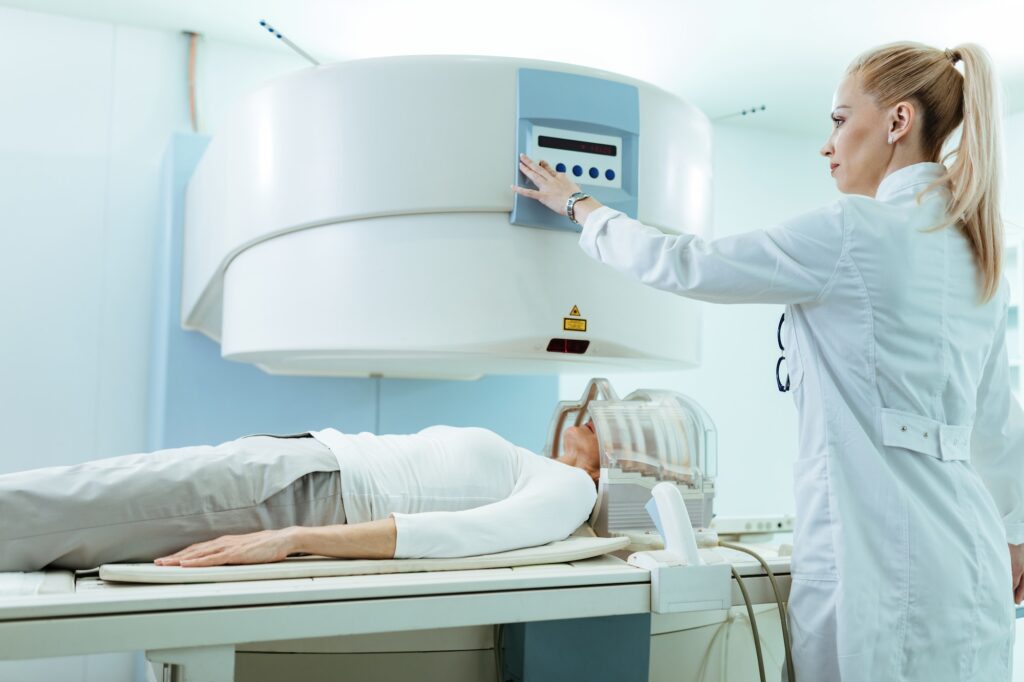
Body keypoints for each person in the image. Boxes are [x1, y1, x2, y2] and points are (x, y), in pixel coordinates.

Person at [514, 41, 1024, 681]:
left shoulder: (853, 229)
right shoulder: (976, 252)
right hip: (970, 562)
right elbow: (999, 424)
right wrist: (1016, 530)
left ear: (898, 122)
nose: (827, 143)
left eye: (840, 120)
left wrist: (579, 206)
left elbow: (687, 262)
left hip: (879, 563)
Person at [0, 423, 601, 572]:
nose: (595, 417)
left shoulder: (571, 490)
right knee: (91, 487)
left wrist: (291, 539)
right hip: (301, 464)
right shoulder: (539, 463)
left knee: (75, 502)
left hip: (305, 497)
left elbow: (453, 538)